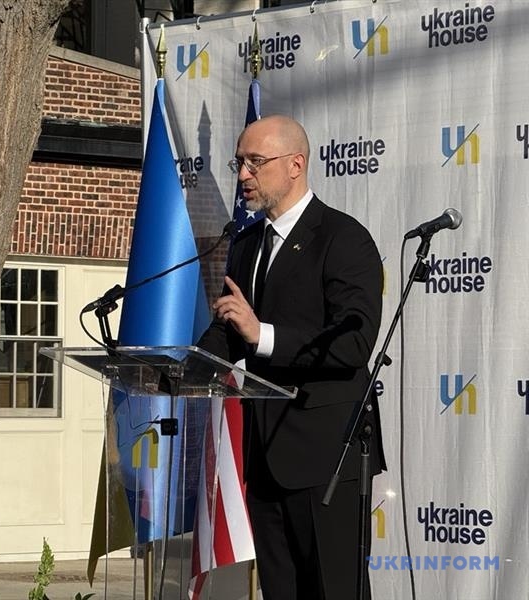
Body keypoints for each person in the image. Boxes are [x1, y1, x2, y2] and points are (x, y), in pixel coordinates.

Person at [197, 115, 385, 600]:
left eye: (255, 162)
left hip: (326, 458)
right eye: (239, 162)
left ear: (296, 164)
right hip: (264, 455)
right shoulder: (246, 243)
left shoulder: (343, 238)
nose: (243, 174)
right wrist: (181, 367)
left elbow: (353, 343)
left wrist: (262, 335)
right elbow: (230, 330)